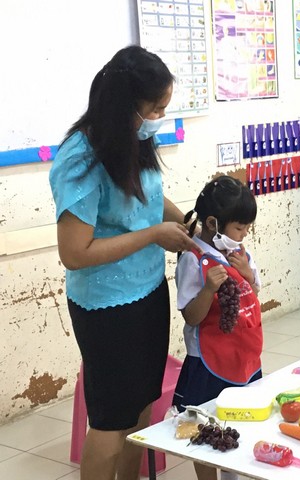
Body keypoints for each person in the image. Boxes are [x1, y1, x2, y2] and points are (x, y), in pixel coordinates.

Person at [49, 45, 201, 480]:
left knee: (141, 412)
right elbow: (75, 253)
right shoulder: (80, 159)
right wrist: (154, 235)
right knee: (111, 421)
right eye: (155, 108)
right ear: (125, 105)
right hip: (106, 306)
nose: (160, 117)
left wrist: (188, 228)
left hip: (148, 291)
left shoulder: (135, 138)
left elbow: (148, 198)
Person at [172, 175, 262, 480]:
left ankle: (231, 475)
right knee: (205, 427)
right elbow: (191, 317)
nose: (244, 234)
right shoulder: (192, 260)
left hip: (242, 355)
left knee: (238, 420)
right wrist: (208, 289)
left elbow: (253, 295)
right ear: (213, 223)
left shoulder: (239, 254)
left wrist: (248, 274)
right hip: (208, 362)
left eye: (247, 227)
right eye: (240, 227)